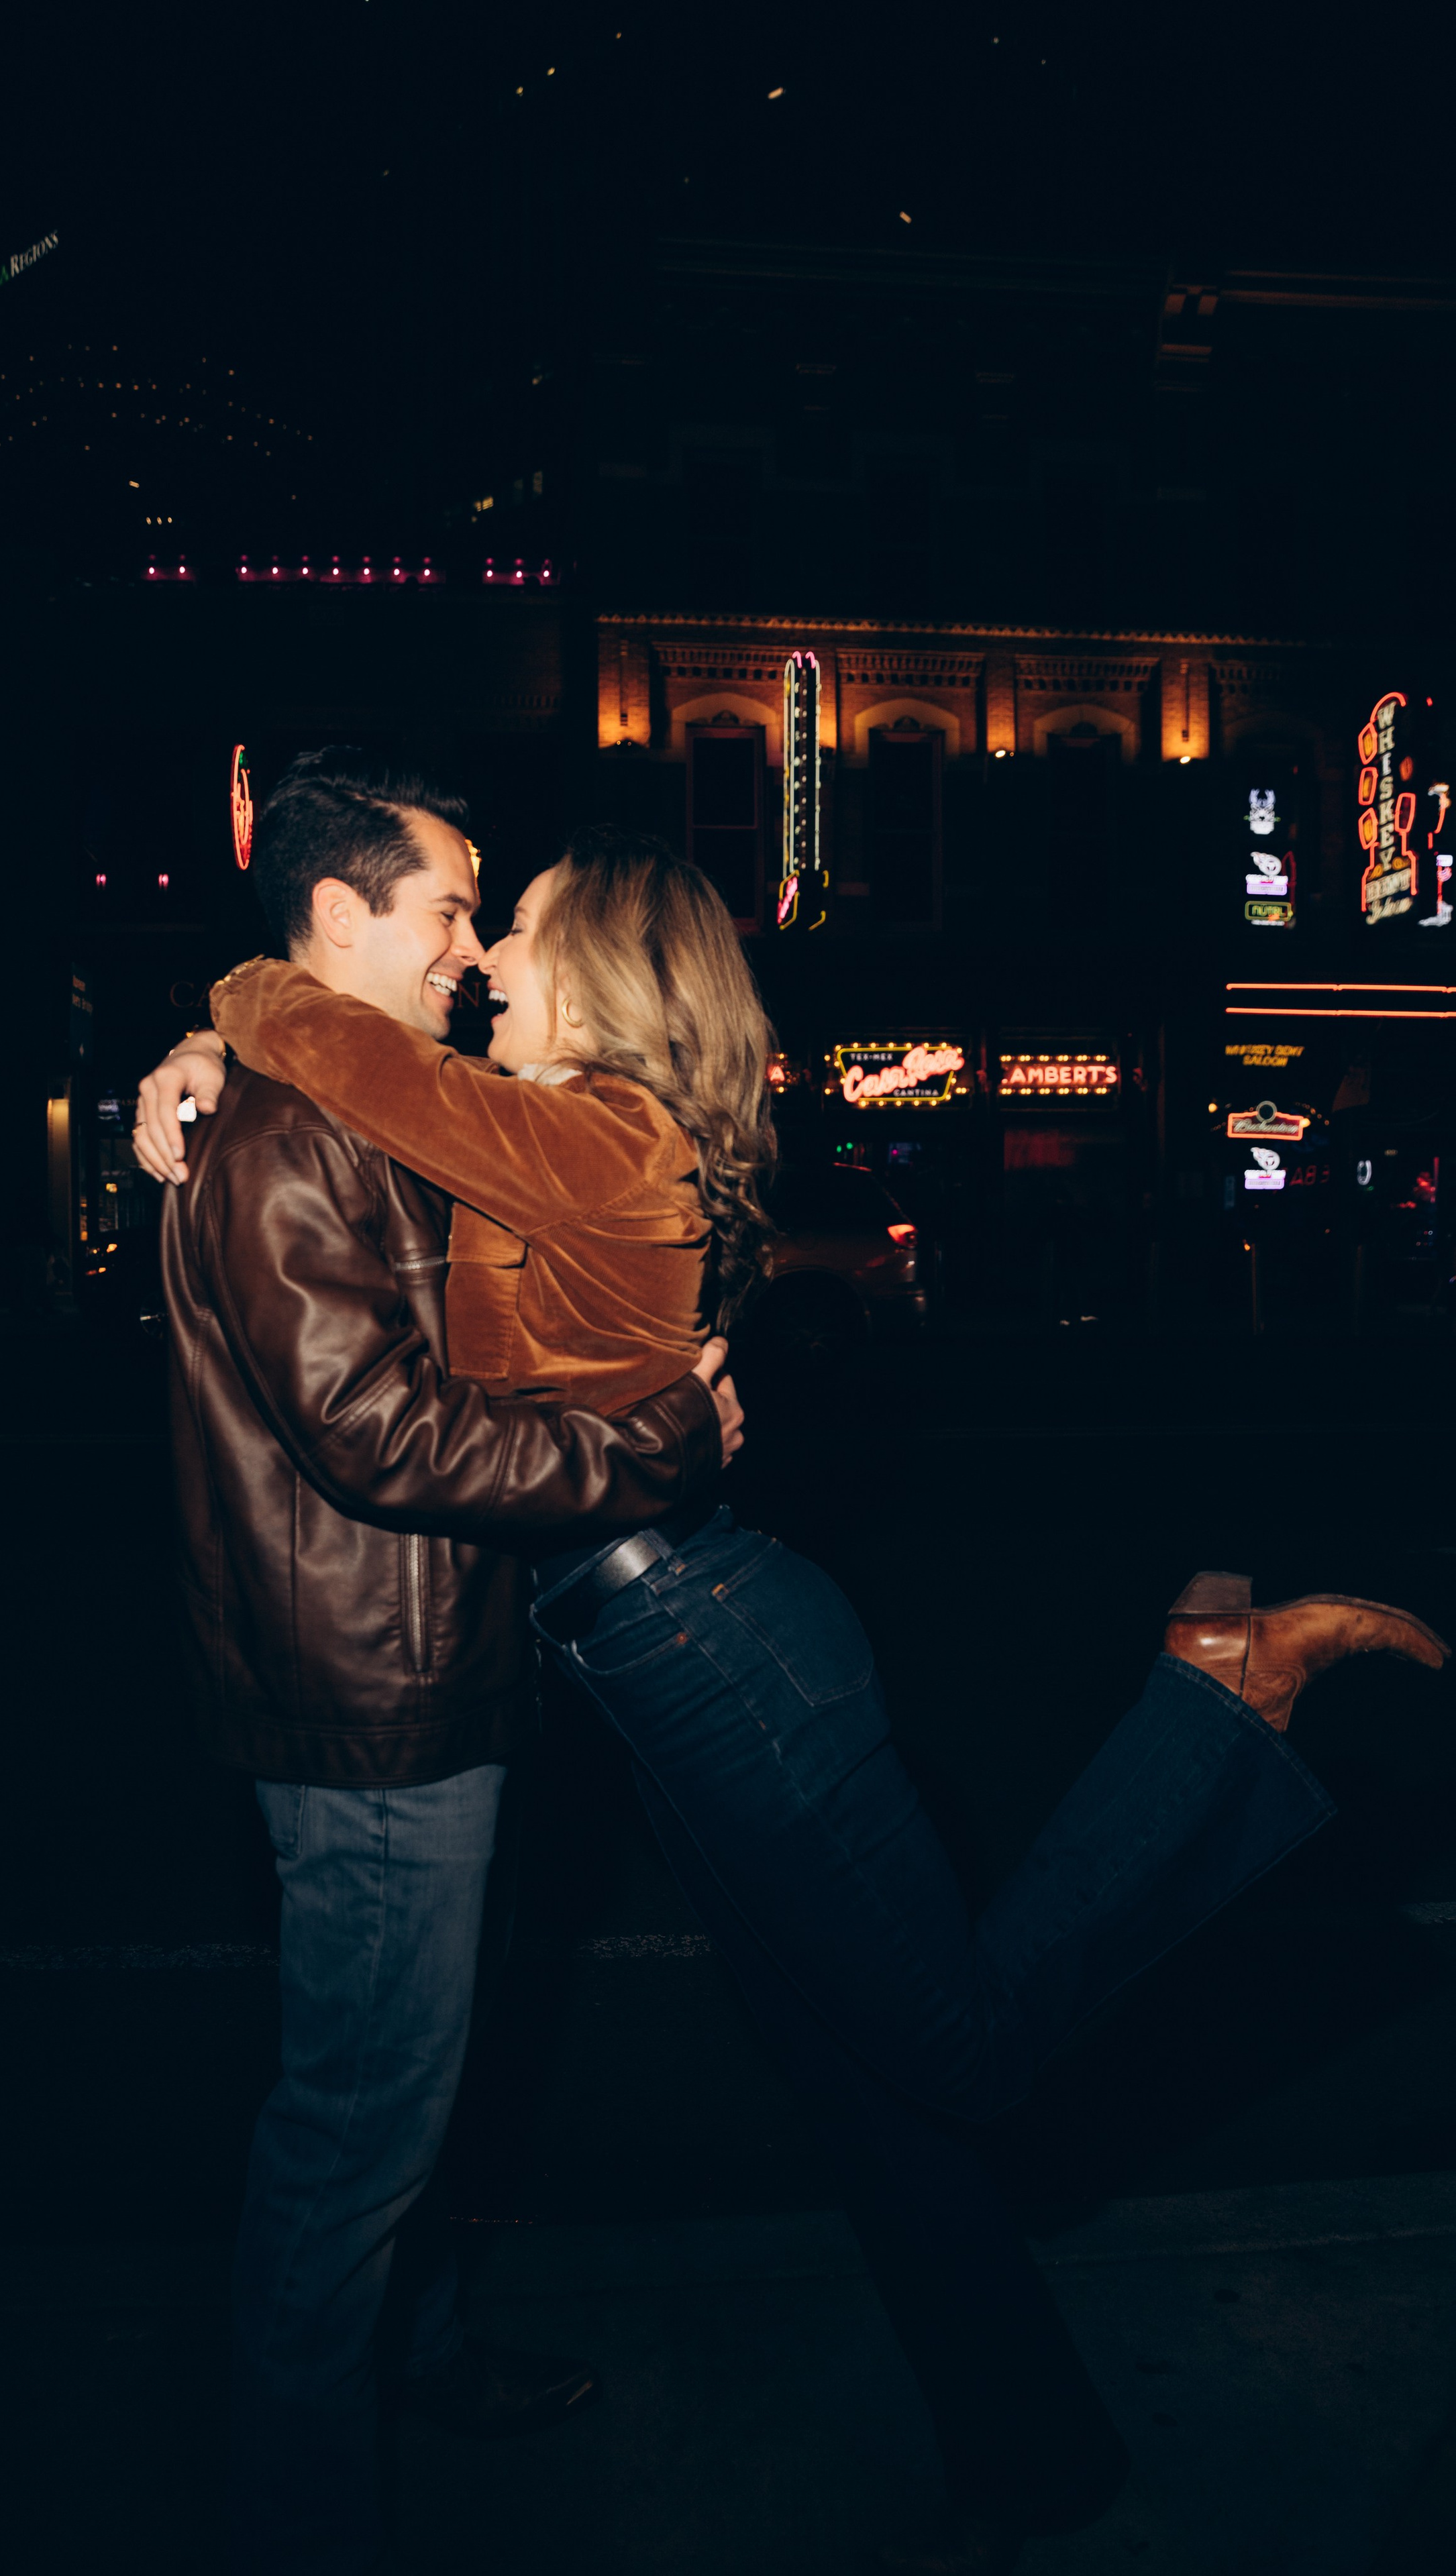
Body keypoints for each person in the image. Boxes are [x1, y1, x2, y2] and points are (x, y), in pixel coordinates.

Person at [138, 825, 1447, 2576]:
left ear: (598, 975)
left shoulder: (598, 1139)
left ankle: (1223, 1692)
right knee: (858, 2088)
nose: (482, 961)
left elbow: (351, 1058)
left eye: (510, 932)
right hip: (653, 1665)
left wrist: (241, 998)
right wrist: (209, 1059)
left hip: (718, 1656)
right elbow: (357, 1103)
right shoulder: (534, 1139)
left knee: (960, 2052)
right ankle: (1033, 2447)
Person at [150, 758, 739, 2576]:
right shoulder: (288, 1128)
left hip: (432, 1667)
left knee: (421, 2096)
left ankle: (425, 2357)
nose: (472, 950)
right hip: (375, 1709)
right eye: (446, 910)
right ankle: (301, 2516)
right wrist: (660, 1447)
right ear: (341, 917)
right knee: (352, 2137)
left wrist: (205, 1029)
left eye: (494, 918)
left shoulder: (359, 1099)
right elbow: (378, 1438)